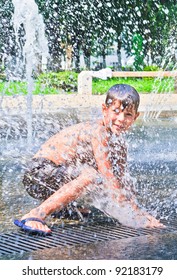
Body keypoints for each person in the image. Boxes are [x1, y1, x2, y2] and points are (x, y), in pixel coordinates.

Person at [14, 84, 165, 235]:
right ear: (104, 110)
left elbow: (120, 181)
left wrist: (137, 211)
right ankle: (35, 215)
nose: (121, 119)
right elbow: (108, 177)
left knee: (120, 183)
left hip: (55, 180)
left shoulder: (120, 144)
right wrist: (136, 215)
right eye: (116, 112)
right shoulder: (98, 132)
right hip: (38, 175)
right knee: (92, 176)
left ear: (136, 117)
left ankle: (62, 209)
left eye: (128, 115)